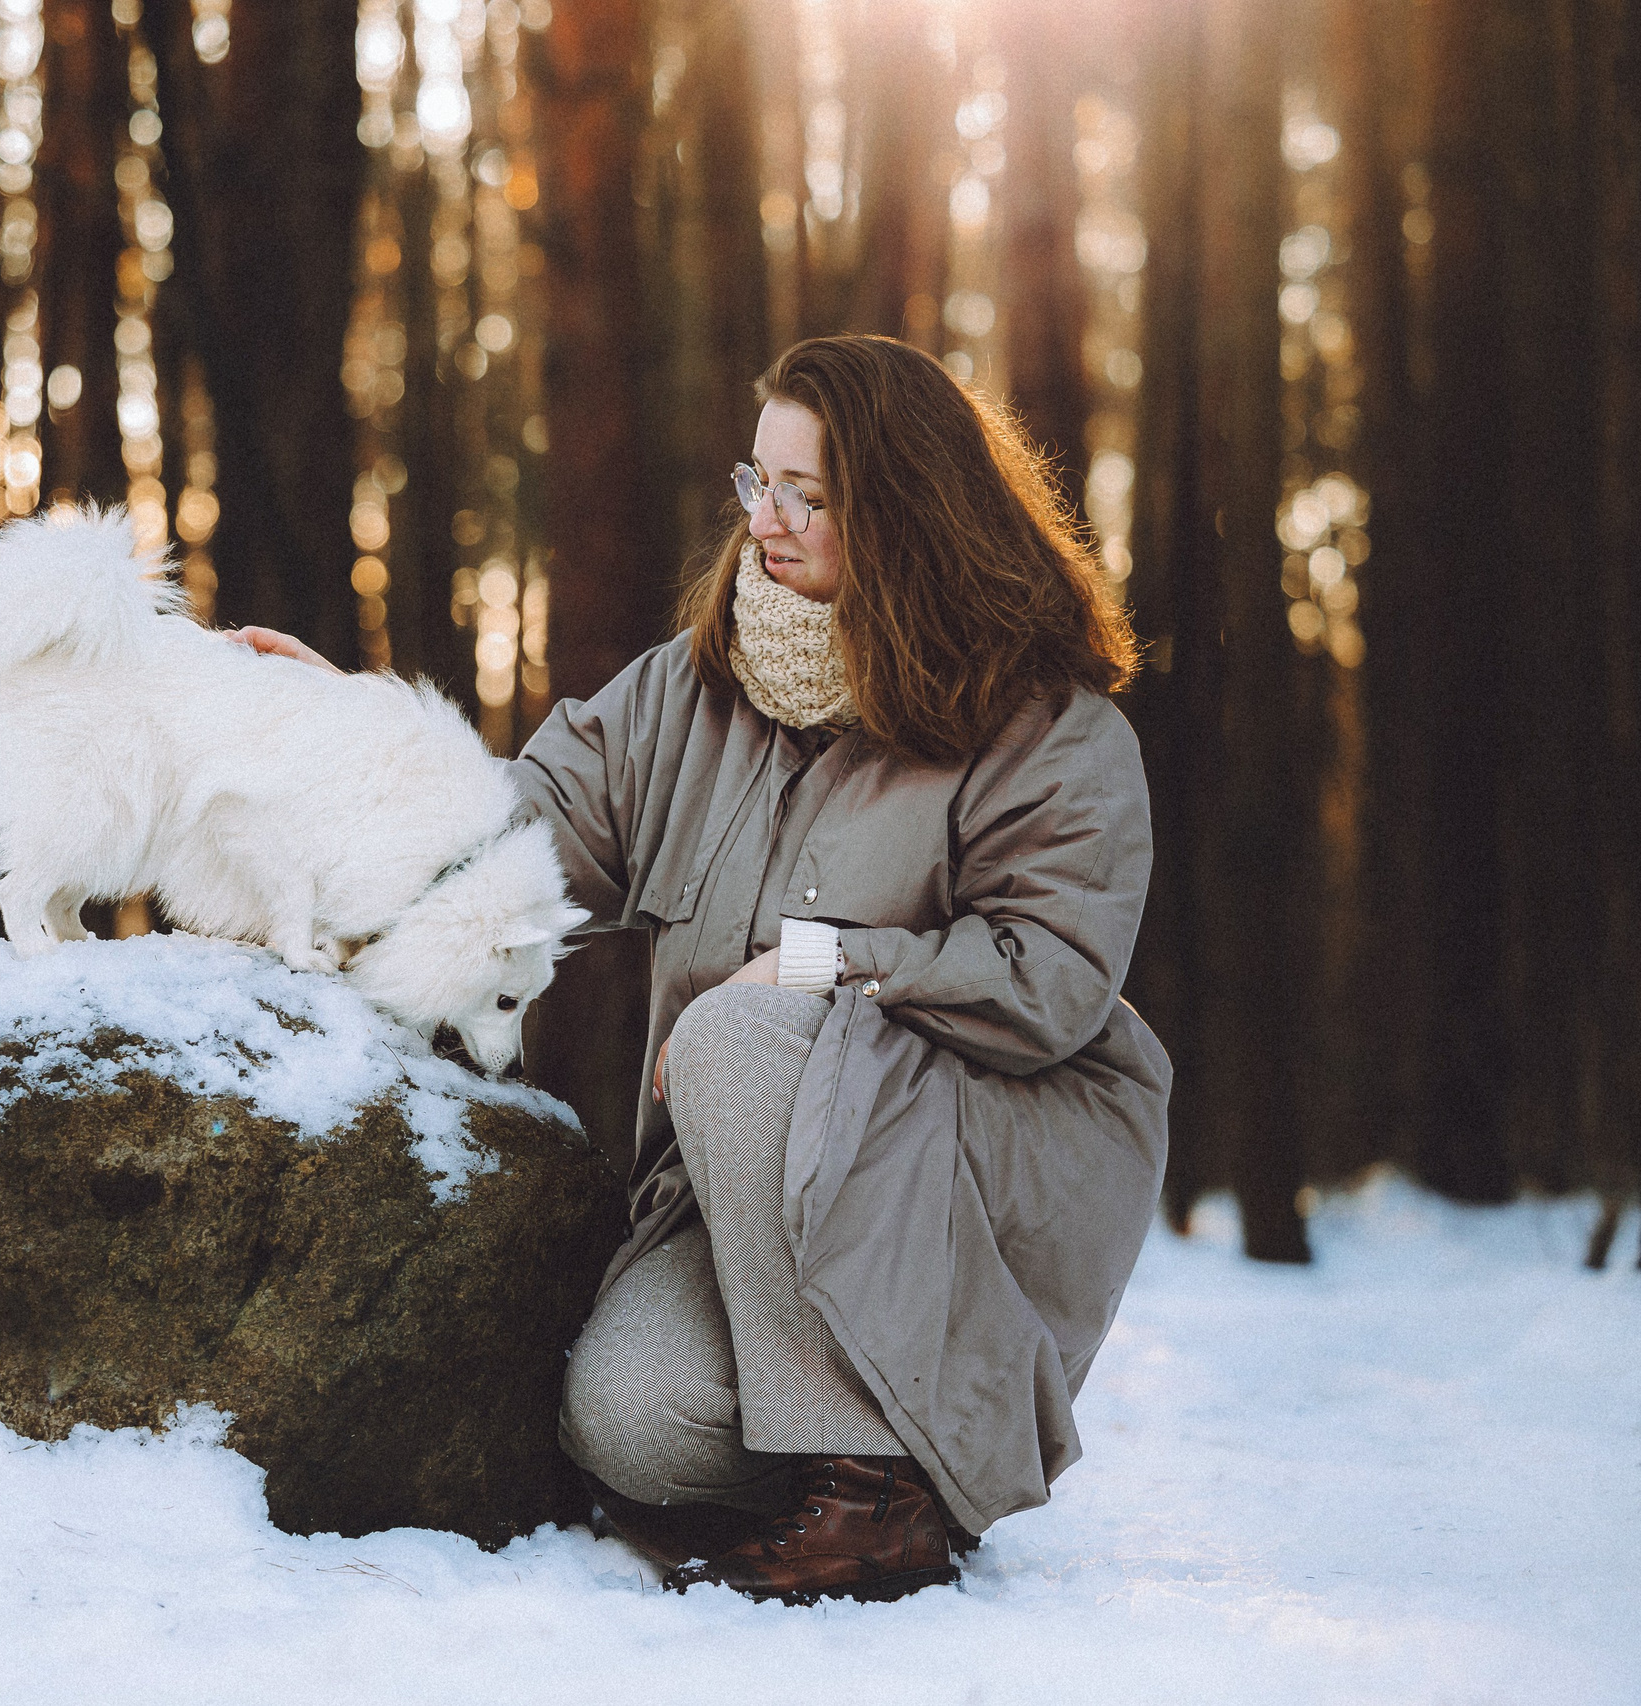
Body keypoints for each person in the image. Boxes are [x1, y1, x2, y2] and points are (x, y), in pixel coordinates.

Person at [231, 333, 1168, 1606]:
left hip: (964, 1186)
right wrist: (350, 730)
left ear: (901, 511)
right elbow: (516, 824)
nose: (764, 522)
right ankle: (860, 1455)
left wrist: (814, 966)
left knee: (736, 1034)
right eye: (756, 481)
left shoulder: (1049, 728)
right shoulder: (695, 688)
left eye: (807, 495)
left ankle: (877, 1500)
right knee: (630, 1418)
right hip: (753, 1201)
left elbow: (1050, 979)